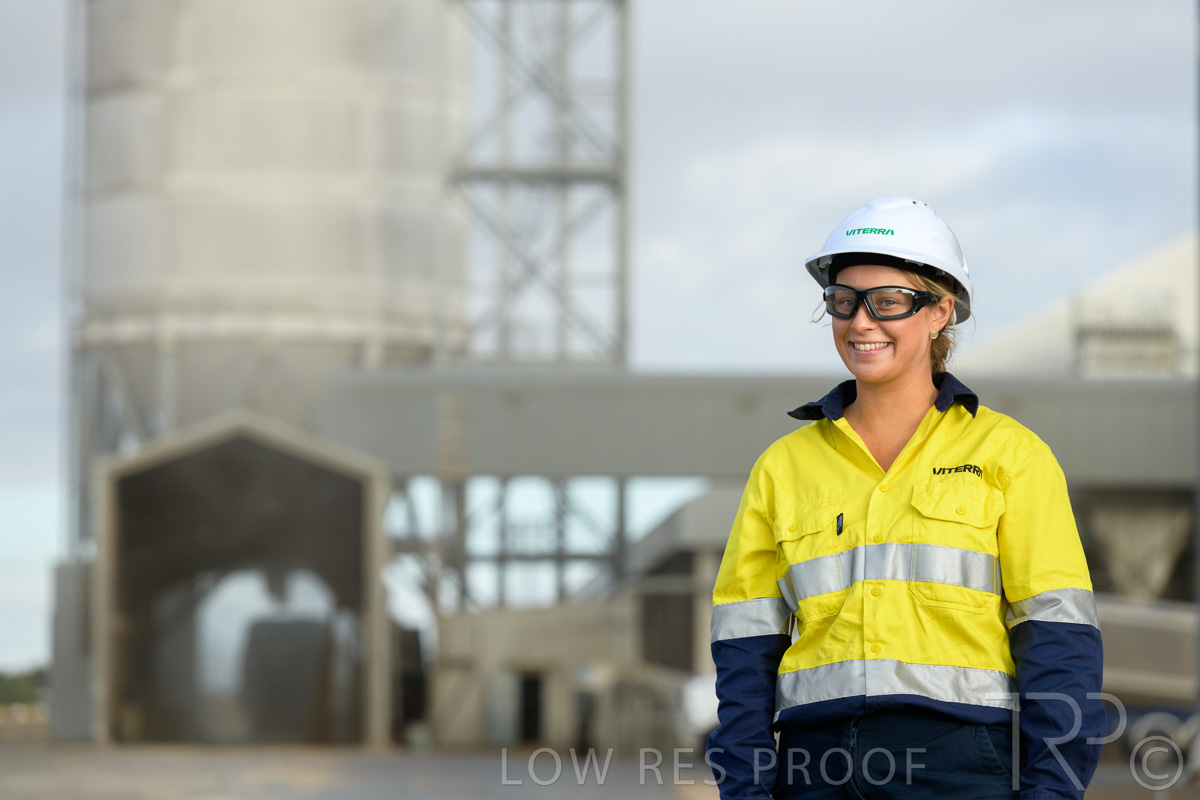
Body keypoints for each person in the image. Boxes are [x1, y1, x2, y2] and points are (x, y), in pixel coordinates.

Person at [707, 197, 1104, 800]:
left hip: (960, 766)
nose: (861, 322)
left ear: (940, 310)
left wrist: (1052, 790)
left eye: (887, 301)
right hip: (814, 769)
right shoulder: (781, 469)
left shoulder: (1012, 457)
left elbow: (1059, 638)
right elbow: (744, 651)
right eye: (844, 300)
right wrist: (745, 790)